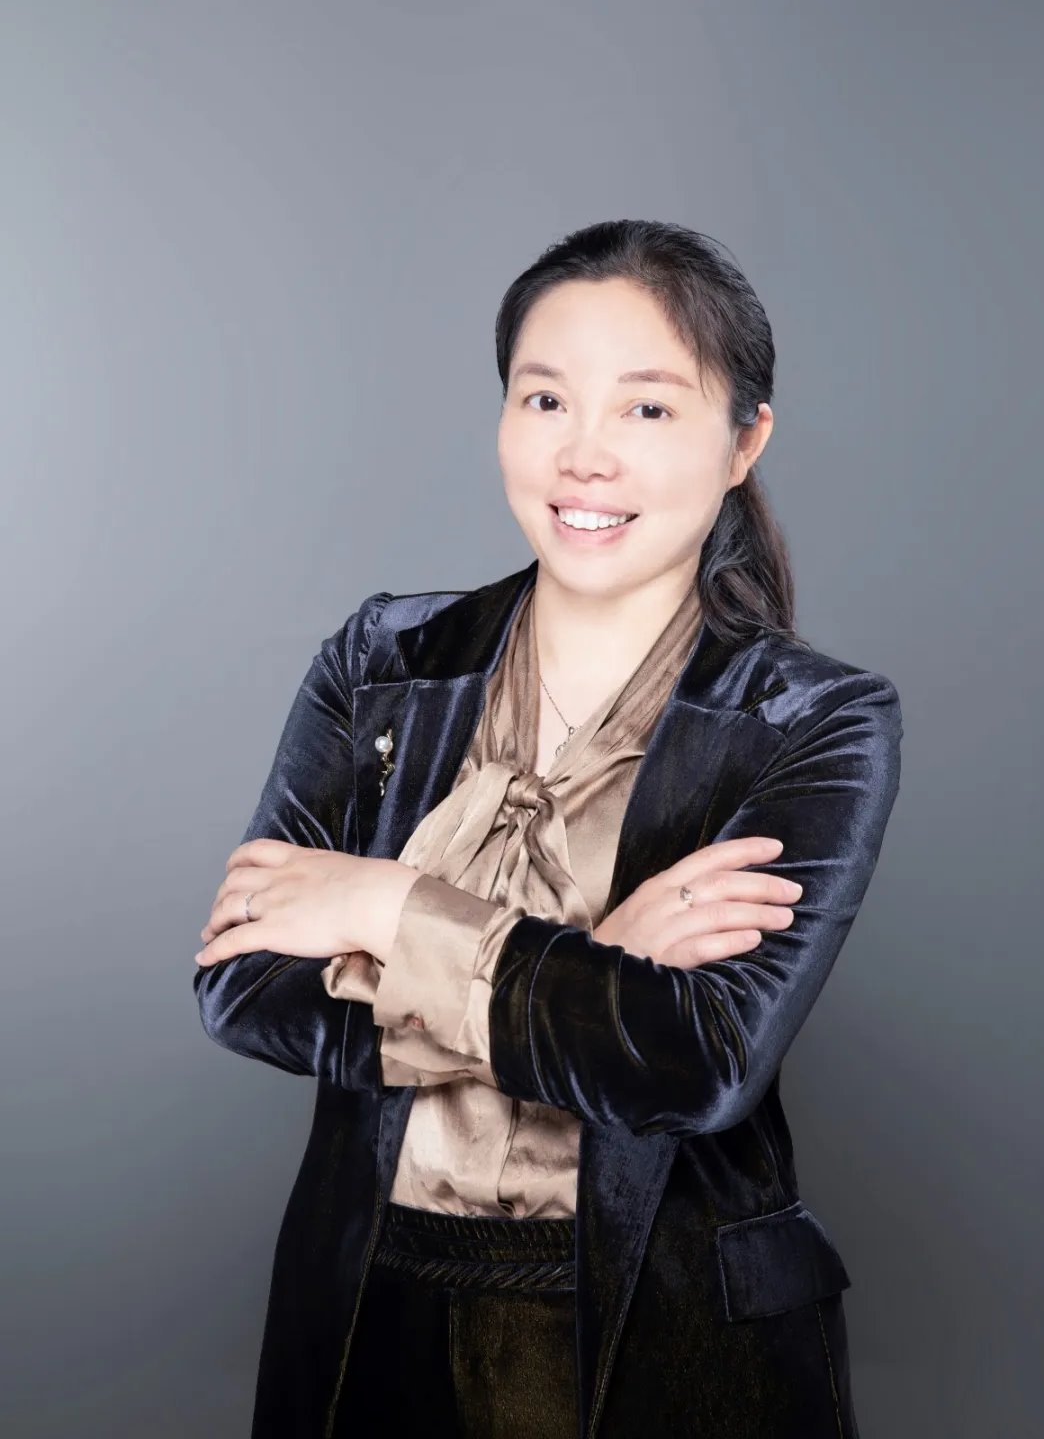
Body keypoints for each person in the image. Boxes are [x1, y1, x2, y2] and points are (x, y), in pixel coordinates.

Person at [192, 218, 902, 1439]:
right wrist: (597, 966)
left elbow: (697, 1062)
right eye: (545, 399)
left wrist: (381, 907)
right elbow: (243, 987)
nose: (585, 456)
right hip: (370, 1312)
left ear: (745, 442)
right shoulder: (384, 661)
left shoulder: (812, 718)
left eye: (648, 409)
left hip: (673, 1336)